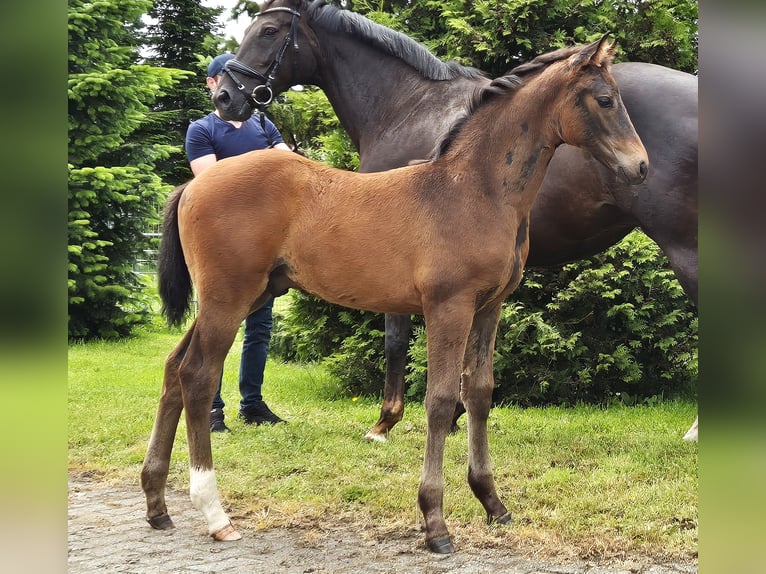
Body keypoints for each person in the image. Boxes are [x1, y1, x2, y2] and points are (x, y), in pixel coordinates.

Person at [185, 53, 291, 432]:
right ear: (212, 84)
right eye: (222, 77)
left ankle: (253, 402)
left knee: (259, 327)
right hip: (224, 242)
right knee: (215, 324)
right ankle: (212, 407)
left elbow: (290, 167)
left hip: (263, 241)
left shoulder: (264, 124)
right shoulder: (201, 130)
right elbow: (210, 184)